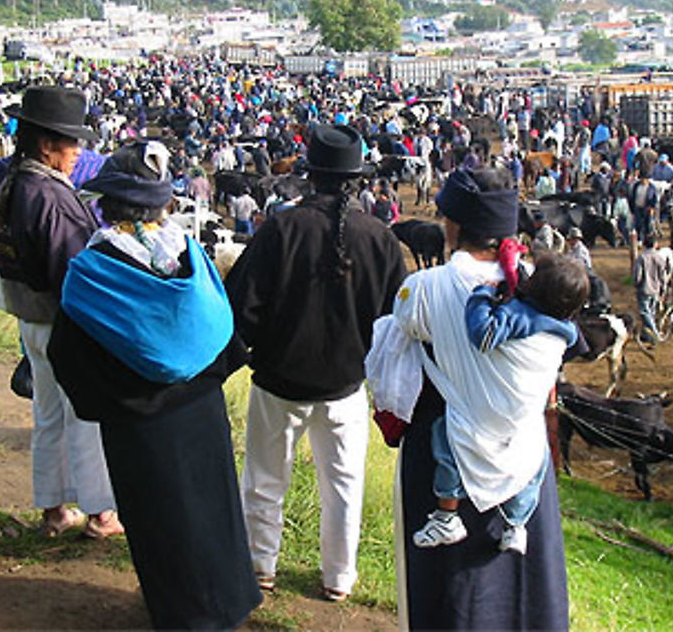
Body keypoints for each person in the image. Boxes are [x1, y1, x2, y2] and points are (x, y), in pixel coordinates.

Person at [47, 141, 261, 629]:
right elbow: (221, 332)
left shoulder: (92, 270)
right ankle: (227, 600)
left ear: (106, 204)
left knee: (160, 517)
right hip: (201, 412)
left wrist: (110, 397)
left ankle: (182, 614)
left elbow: (69, 354)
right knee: (213, 508)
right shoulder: (189, 255)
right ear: (162, 204)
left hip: (138, 422)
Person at [379, 165, 570, 630]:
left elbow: (395, 340)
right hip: (523, 452)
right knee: (520, 582)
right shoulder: (542, 287)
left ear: (454, 226)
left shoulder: (423, 290)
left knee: (447, 587)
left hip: (444, 451)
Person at [224, 124, 406, 602]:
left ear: (311, 175)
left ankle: (260, 567)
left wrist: (255, 352)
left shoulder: (281, 229)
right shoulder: (380, 238)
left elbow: (243, 306)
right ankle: (338, 578)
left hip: (280, 381)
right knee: (344, 487)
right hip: (347, 387)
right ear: (357, 179)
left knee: (264, 480)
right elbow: (393, 322)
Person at [0, 86, 122, 539]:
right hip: (62, 320)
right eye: (72, 144)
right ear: (46, 144)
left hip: (32, 318)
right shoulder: (49, 196)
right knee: (85, 417)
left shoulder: (15, 180)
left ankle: (53, 508)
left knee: (48, 415)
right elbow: (74, 274)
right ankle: (101, 514)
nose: (77, 153)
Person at [412, 251, 585, 554]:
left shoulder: (520, 317)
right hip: (524, 414)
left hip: (489, 411)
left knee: (447, 437)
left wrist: (484, 293)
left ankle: (446, 514)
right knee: (532, 463)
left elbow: (483, 334)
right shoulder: (566, 331)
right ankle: (516, 526)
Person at [634, 235, 667, 344]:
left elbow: (637, 276)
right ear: (655, 244)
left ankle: (655, 334)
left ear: (644, 245)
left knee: (645, 312)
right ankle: (647, 335)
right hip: (655, 289)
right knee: (651, 312)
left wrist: (636, 284)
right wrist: (663, 289)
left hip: (644, 289)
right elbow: (663, 276)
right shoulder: (659, 258)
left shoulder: (641, 258)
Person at [630, 167, 658, 242]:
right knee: (638, 224)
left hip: (647, 208)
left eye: (644, 178)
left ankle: (647, 239)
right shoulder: (636, 186)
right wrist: (632, 207)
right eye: (642, 178)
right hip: (638, 207)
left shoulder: (652, 187)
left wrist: (652, 207)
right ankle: (639, 239)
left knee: (648, 224)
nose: (643, 180)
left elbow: (654, 199)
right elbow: (632, 196)